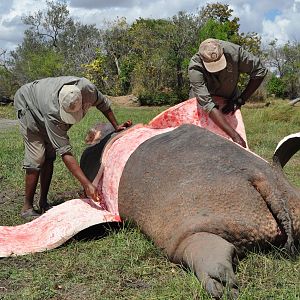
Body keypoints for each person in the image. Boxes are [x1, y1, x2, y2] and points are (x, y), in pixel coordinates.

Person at [14, 76, 131, 219]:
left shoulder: (88, 89)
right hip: (28, 104)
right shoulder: (52, 112)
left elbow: (103, 104)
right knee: (37, 156)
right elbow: (65, 152)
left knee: (50, 155)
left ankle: (43, 202)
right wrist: (87, 184)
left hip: (43, 100)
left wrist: (116, 126)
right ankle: (27, 207)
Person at [188, 38, 268, 148]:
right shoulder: (195, 68)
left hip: (229, 100)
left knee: (229, 147)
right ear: (202, 60)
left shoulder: (234, 52)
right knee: (200, 143)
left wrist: (240, 99)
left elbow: (260, 71)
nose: (216, 70)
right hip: (203, 104)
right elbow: (207, 105)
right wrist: (235, 136)